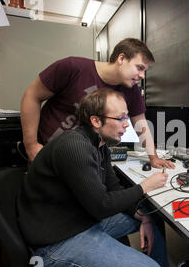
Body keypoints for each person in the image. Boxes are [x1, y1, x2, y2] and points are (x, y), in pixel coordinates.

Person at [17, 88, 170, 267]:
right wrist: (144, 186)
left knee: (153, 214)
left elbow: (113, 187)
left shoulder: (99, 144)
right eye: (121, 117)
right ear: (96, 121)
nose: (127, 124)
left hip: (81, 219)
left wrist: (142, 216)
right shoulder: (75, 147)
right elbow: (102, 206)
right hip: (55, 244)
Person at [20, 37, 175, 170]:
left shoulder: (131, 89)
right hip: (46, 152)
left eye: (145, 71)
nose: (142, 75)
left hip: (82, 158)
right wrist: (31, 145)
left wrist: (153, 157)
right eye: (139, 68)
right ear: (121, 59)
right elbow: (32, 96)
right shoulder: (73, 67)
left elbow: (141, 123)